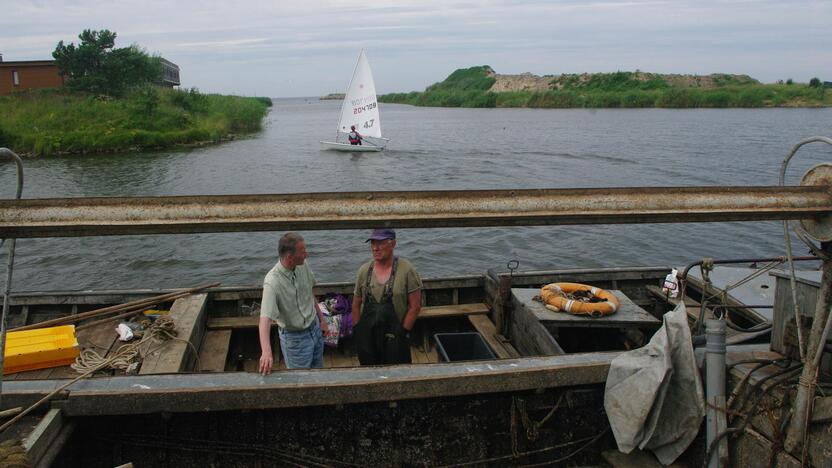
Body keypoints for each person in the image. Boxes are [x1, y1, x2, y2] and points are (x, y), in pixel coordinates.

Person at [351, 229, 422, 365]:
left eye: (380, 243)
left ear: (393, 244)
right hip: (367, 337)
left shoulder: (407, 270)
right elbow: (356, 304)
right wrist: (358, 331)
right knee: (370, 374)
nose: (375, 248)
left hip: (395, 336)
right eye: (372, 243)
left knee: (398, 375)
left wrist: (403, 332)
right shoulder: (364, 271)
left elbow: (415, 306)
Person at [258, 232, 327, 373]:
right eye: (303, 252)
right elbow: (265, 320)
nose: (306, 254)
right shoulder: (272, 282)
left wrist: (322, 320)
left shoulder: (303, 265)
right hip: (295, 341)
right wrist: (266, 352)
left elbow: (308, 293)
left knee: (319, 374)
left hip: (315, 329)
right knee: (300, 381)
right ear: (290, 257)